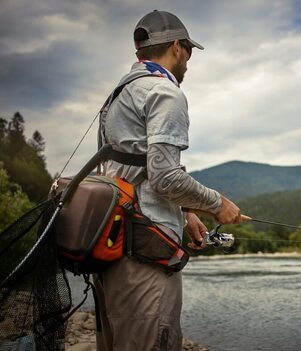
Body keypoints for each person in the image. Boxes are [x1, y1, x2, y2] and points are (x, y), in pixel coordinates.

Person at [94, 10, 241, 350]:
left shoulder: (117, 97)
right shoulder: (165, 92)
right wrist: (218, 204)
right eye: (188, 51)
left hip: (114, 250)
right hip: (146, 255)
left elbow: (134, 168)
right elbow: (164, 176)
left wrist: (187, 213)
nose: (188, 61)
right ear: (177, 47)